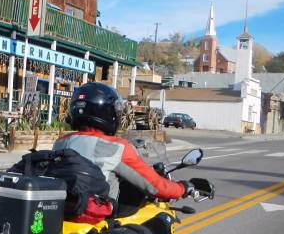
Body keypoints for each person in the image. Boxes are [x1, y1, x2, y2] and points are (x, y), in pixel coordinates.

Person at [53, 82, 192, 206]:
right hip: (99, 221)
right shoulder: (116, 147)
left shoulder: (61, 143)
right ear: (107, 112)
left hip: (63, 214)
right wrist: (183, 188)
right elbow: (156, 186)